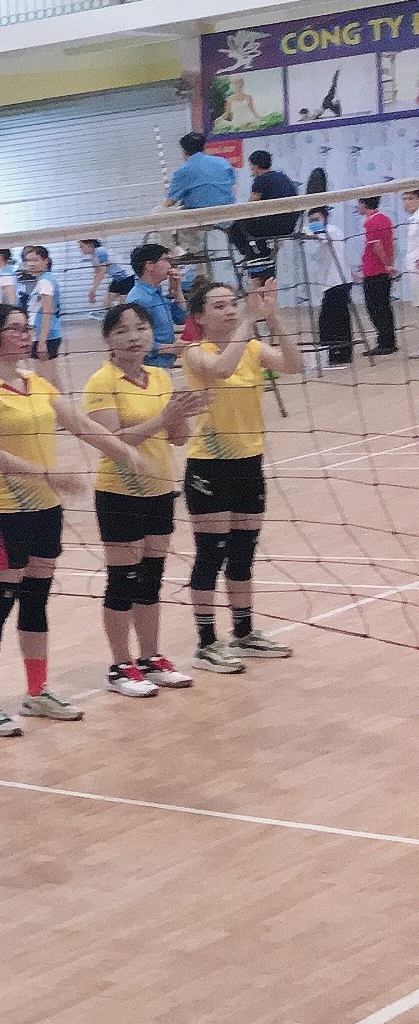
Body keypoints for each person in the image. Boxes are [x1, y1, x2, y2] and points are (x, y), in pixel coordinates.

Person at [0, 305, 140, 737]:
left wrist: (127, 453)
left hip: (45, 510)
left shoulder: (35, 382)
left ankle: (37, 692)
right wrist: (50, 475)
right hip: (6, 511)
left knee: (36, 600)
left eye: (26, 327)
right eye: (15, 329)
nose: (25, 335)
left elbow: (81, 425)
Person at [82, 304, 213, 697]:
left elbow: (179, 438)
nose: (134, 337)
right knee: (122, 580)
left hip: (159, 489)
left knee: (151, 578)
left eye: (141, 328)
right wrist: (163, 417)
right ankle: (120, 666)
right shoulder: (101, 382)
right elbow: (114, 441)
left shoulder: (160, 376)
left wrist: (184, 413)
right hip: (119, 492)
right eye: (122, 331)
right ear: (109, 339)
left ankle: (151, 658)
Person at [182, 279, 302, 671]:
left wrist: (272, 318)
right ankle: (206, 643)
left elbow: (294, 365)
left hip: (249, 462)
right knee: (210, 553)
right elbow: (221, 369)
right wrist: (250, 319)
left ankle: (244, 632)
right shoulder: (194, 351)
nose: (230, 310)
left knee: (242, 553)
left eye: (233, 303)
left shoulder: (252, 348)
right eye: (219, 306)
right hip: (210, 465)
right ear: (199, 317)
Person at [308, 204, 361, 367]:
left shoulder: (331, 231)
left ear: (325, 218)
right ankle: (334, 352)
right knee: (332, 319)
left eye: (317, 219)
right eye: (311, 221)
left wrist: (306, 231)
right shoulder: (325, 232)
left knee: (334, 320)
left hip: (338, 283)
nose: (314, 223)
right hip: (332, 284)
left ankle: (340, 353)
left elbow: (316, 234)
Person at [233, 150, 298, 278]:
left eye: (251, 166)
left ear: (256, 166)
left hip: (273, 225)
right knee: (253, 227)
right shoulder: (282, 177)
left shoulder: (261, 180)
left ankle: (255, 255)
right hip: (289, 225)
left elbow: (250, 206)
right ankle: (259, 253)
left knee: (236, 226)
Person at [124, 243, 188, 370]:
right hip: (149, 367)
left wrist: (177, 291)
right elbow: (137, 340)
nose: (170, 266)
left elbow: (182, 317)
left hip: (163, 365)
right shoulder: (139, 299)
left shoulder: (157, 294)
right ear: (150, 266)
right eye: (165, 260)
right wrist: (171, 348)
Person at [359, 196, 400, 356]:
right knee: (384, 307)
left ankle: (385, 343)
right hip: (382, 271)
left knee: (375, 308)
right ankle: (389, 341)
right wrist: (390, 264)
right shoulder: (385, 219)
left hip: (374, 271)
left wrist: (386, 264)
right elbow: (392, 244)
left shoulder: (371, 222)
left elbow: (377, 245)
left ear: (364, 204)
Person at [16, 245, 63, 373]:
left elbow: (48, 312)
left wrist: (42, 342)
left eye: (35, 260)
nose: (31, 264)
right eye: (28, 261)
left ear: (45, 261)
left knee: (44, 378)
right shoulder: (45, 279)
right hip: (49, 334)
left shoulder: (45, 282)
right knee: (52, 377)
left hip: (45, 336)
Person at [80, 238, 121, 306]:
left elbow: (102, 270)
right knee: (107, 303)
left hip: (125, 277)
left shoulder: (100, 251)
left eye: (82, 247)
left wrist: (93, 290)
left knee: (111, 303)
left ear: (90, 245)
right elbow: (97, 273)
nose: (81, 249)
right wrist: (93, 290)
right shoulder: (94, 256)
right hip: (118, 278)